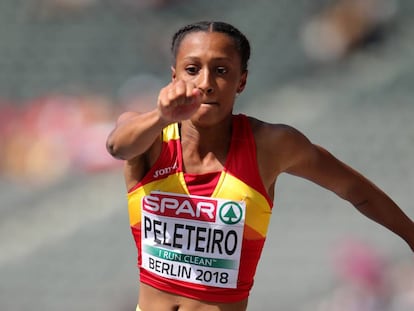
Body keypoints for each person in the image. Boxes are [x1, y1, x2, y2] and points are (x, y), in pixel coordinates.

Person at [106, 21, 414, 311]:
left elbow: (354, 189)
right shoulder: (148, 136)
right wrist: (162, 116)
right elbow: (118, 146)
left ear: (242, 81)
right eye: (192, 69)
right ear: (174, 77)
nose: (206, 83)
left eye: (221, 70)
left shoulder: (270, 145)